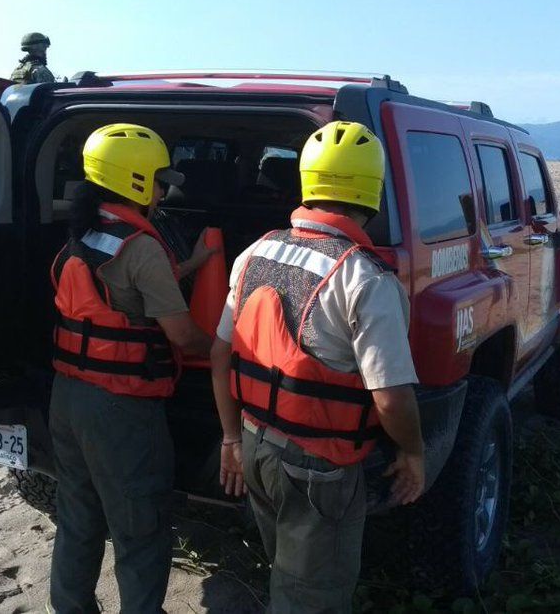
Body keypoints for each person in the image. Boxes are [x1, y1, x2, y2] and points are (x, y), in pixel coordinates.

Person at [209, 121, 426, 613]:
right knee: (312, 597)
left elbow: (220, 354)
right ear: (372, 193)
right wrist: (413, 452)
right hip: (317, 468)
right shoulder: (365, 278)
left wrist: (230, 440)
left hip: (255, 446)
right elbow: (390, 397)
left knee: (287, 574)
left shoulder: (255, 252)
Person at [48, 123, 215, 613]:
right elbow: (181, 336)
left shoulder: (85, 231)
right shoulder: (140, 247)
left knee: (78, 518)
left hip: (68, 397)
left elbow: (129, 287)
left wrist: (197, 260)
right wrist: (229, 348)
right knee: (139, 530)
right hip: (120, 408)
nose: (165, 188)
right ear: (138, 180)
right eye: (161, 178)